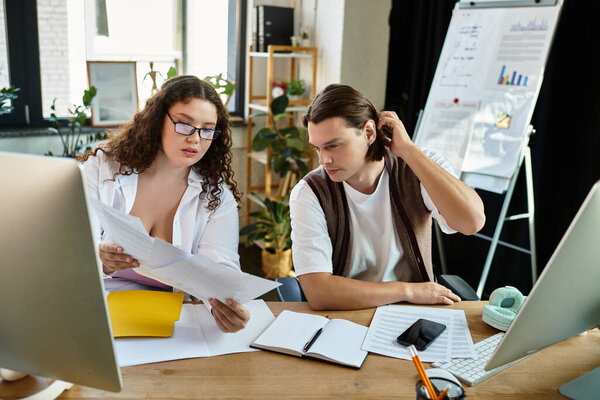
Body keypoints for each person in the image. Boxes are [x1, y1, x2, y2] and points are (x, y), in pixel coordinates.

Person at [289, 84, 486, 310]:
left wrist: (409, 151)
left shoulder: (417, 165)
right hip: (349, 314)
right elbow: (319, 292)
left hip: (414, 314)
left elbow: (472, 221)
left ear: (369, 132)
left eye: (333, 146)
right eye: (317, 148)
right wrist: (408, 290)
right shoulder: (310, 193)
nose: (324, 159)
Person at [80, 75, 249, 332]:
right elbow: (71, 246)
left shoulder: (215, 196)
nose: (195, 138)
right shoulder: (103, 170)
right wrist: (99, 257)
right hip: (95, 307)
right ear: (158, 120)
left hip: (169, 316)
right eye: (184, 124)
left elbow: (219, 268)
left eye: (207, 129)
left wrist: (225, 306)